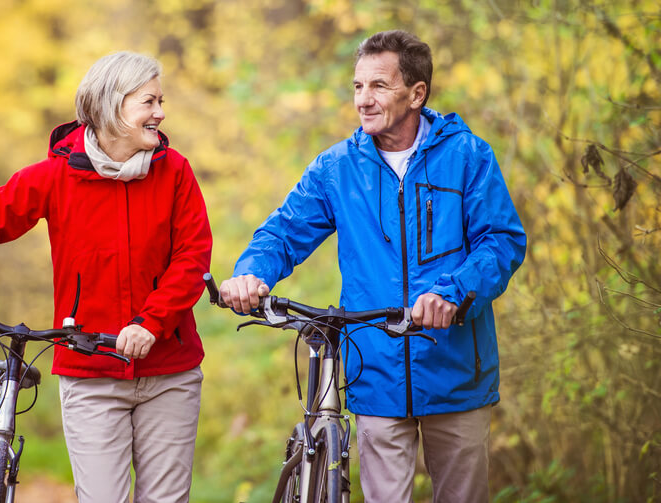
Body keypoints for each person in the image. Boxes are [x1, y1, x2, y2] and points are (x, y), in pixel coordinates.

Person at [0, 51, 212, 503]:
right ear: (111, 105)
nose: (160, 113)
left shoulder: (174, 172)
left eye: (161, 101)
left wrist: (151, 323)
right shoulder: (55, 177)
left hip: (169, 372)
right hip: (90, 373)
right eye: (149, 102)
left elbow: (192, 258)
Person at [220, 30, 526, 502]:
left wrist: (454, 290)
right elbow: (282, 233)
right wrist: (251, 272)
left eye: (378, 86)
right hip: (375, 371)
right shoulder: (336, 167)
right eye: (358, 86)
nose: (363, 99)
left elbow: (501, 242)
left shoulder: (467, 156)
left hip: (457, 368)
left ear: (416, 93)